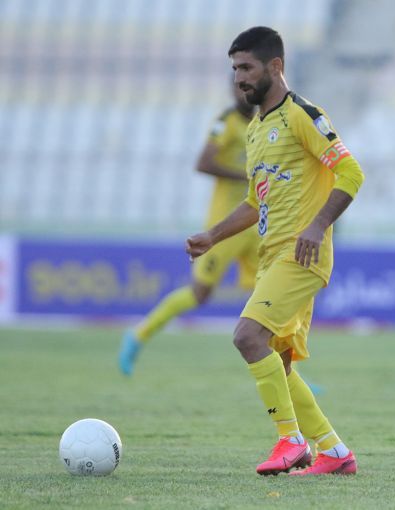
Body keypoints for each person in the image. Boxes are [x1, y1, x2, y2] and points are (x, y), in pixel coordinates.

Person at [185, 26, 364, 476]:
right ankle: (335, 452)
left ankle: (291, 440)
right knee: (279, 363)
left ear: (276, 66)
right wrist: (213, 235)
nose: (239, 78)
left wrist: (318, 226)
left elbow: (351, 174)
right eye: (234, 69)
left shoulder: (303, 115)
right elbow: (254, 201)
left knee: (247, 337)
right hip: (272, 256)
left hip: (301, 255)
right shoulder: (256, 128)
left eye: (246, 68)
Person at [118, 83, 258, 376]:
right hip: (224, 226)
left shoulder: (265, 122)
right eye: (237, 87)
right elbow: (203, 163)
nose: (242, 92)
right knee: (199, 294)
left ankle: (291, 373)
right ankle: (139, 334)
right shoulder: (226, 122)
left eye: (247, 86)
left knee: (269, 299)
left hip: (256, 223)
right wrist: (245, 175)